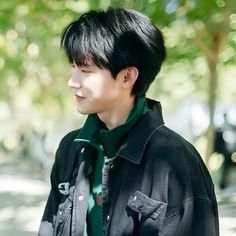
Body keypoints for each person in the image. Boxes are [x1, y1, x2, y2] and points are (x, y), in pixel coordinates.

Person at [39, 7, 219, 236]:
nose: (72, 81)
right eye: (74, 68)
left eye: (85, 70)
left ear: (127, 77)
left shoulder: (178, 162)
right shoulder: (70, 148)